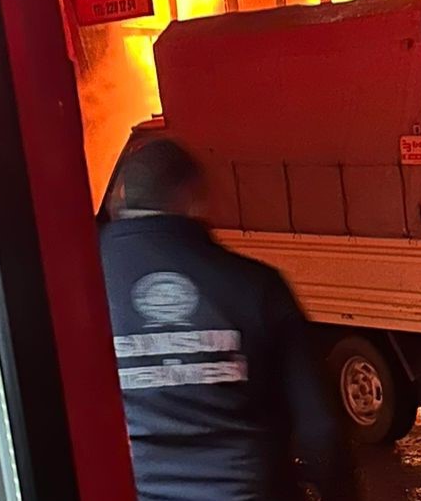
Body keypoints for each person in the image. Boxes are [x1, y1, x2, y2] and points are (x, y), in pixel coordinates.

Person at [99, 138, 355, 501]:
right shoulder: (254, 286)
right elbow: (320, 429)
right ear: (191, 200)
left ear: (119, 200)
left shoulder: (79, 289)